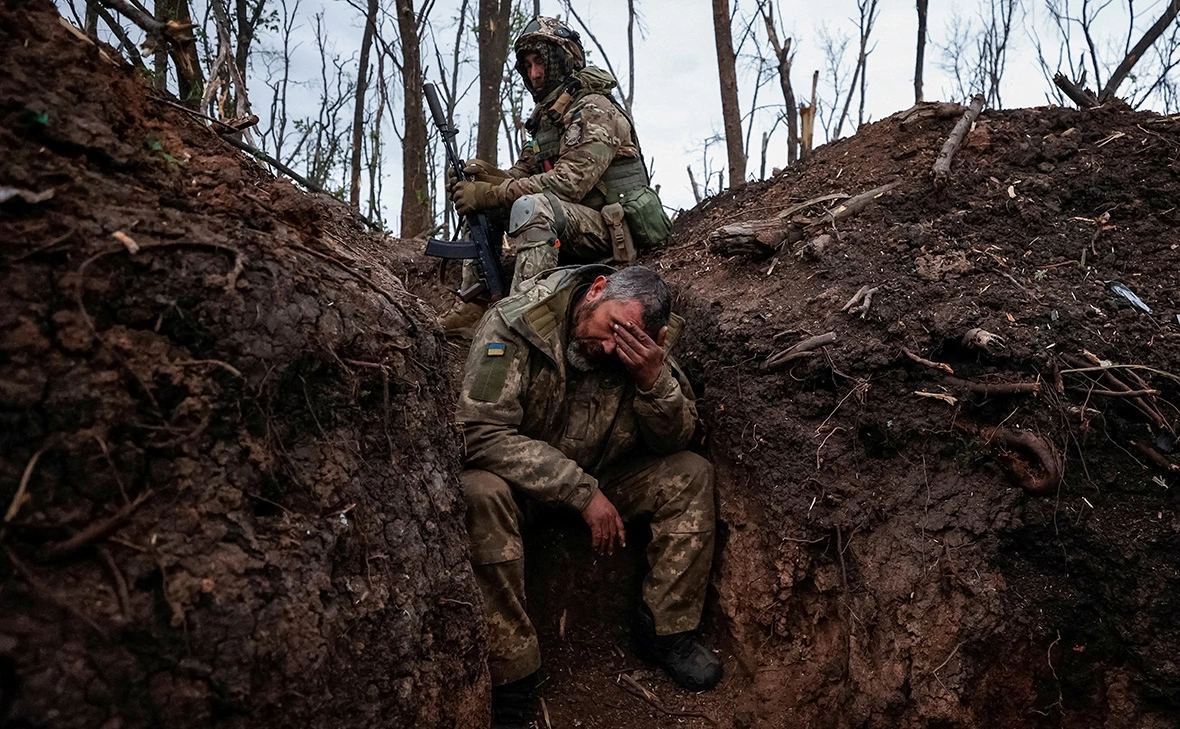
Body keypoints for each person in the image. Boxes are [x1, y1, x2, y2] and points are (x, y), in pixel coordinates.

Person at [456, 264, 721, 728]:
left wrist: (652, 381)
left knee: (691, 474)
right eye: (611, 328)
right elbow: (479, 432)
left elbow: (676, 441)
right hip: (525, 486)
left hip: (607, 476)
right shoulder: (517, 322)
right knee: (478, 491)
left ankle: (665, 629)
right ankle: (511, 674)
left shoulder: (646, 347)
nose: (608, 348)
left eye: (627, 340)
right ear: (597, 290)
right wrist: (580, 493)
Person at [441, 16, 672, 334]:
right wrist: (482, 179)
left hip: (611, 230)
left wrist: (493, 191)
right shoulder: (547, 119)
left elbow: (568, 183)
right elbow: (522, 173)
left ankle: (522, 322)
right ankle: (474, 305)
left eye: (541, 63)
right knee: (483, 203)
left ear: (563, 61)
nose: (534, 74)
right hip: (572, 224)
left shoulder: (594, 110)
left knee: (534, 208)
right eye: (528, 66)